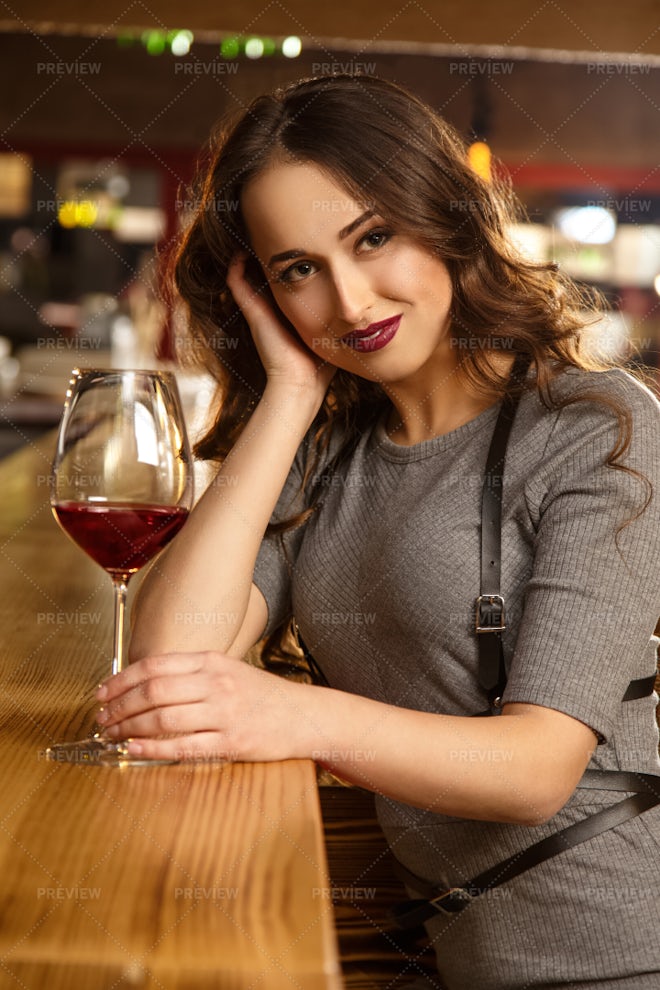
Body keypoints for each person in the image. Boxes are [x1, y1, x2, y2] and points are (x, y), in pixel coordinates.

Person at [94, 75, 660, 989]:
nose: (352, 302)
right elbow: (171, 655)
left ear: (443, 217)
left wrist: (291, 716)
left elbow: (536, 769)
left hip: (617, 955)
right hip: (442, 955)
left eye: (374, 238)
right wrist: (287, 395)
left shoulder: (597, 427)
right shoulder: (324, 448)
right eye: (300, 270)